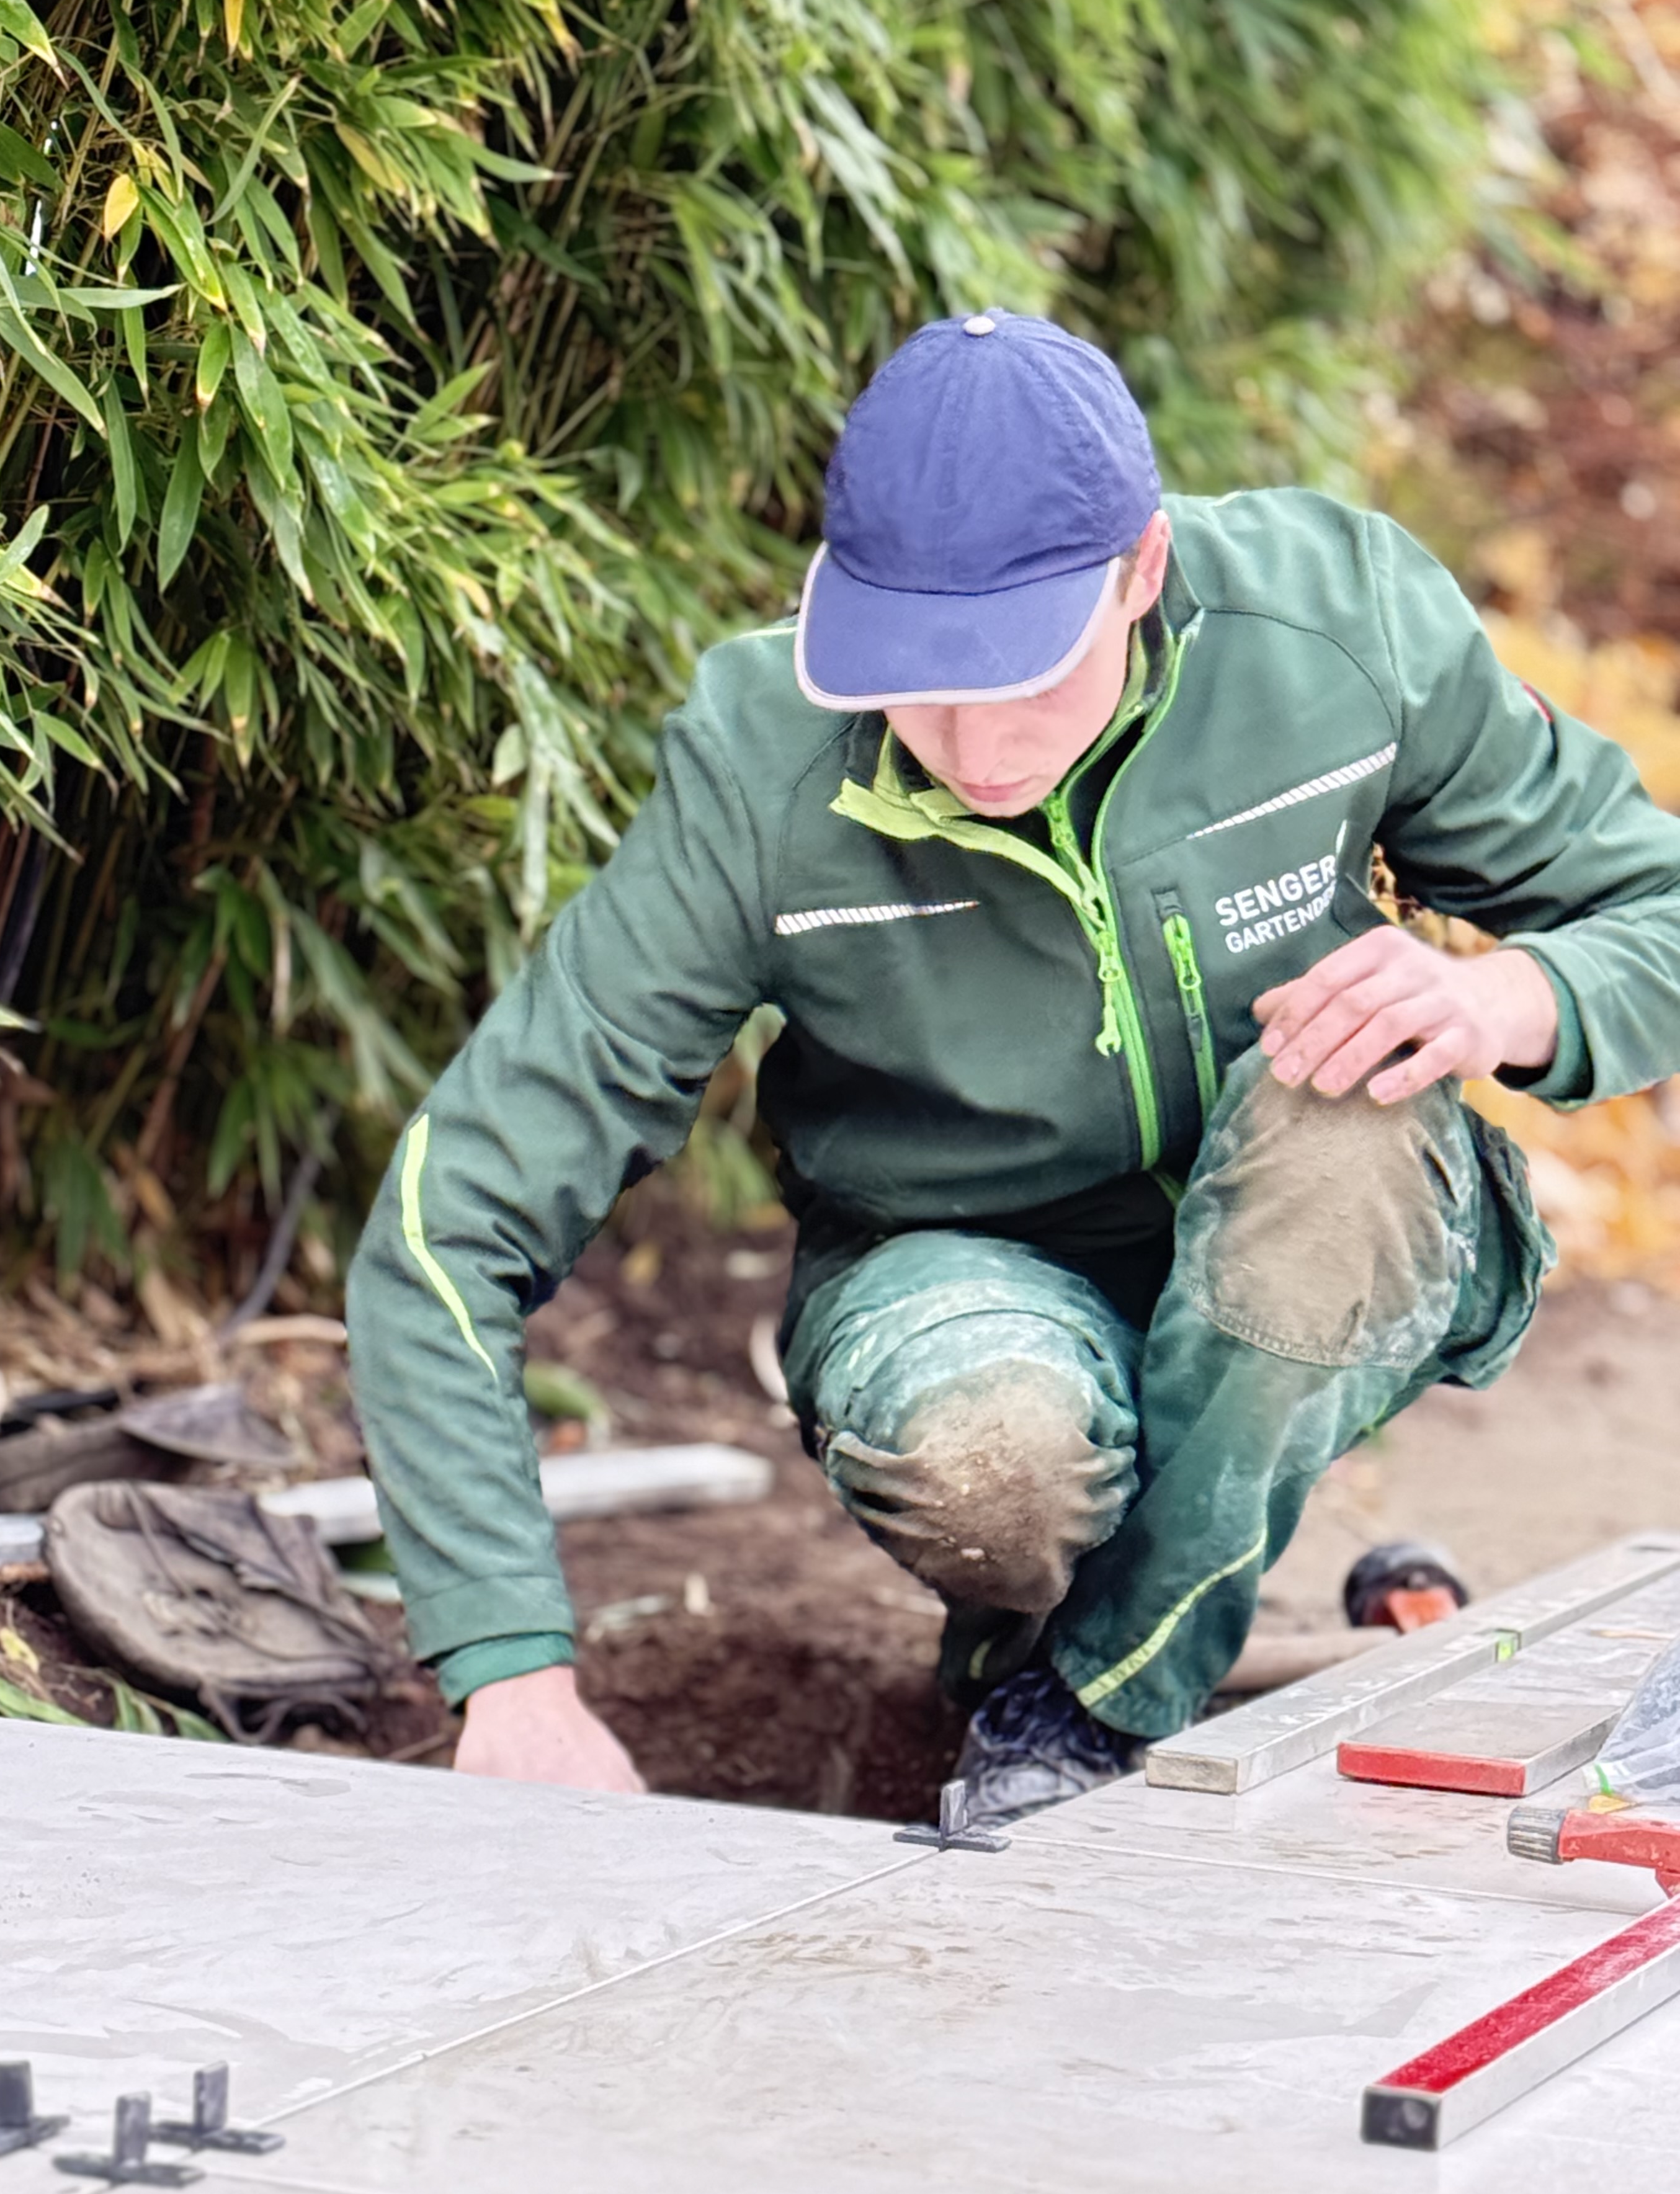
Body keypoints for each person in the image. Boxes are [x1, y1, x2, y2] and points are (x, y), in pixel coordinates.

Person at [347, 311, 1680, 1822]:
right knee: (997, 1462)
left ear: (1144, 573)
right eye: (921, 682)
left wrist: (1512, 994)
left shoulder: (1342, 623)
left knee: (1341, 1121)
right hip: (955, 1273)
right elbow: (455, 1218)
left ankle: (1088, 1694)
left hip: (1327, 1231)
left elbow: (1659, 905)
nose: (974, 749)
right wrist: (507, 1670)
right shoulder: (758, 764)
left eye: (1025, 678)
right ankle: (1088, 1633)